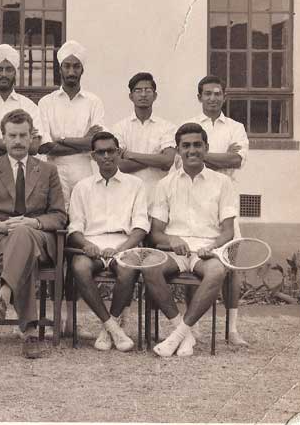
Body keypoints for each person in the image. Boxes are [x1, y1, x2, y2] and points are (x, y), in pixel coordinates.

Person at [0, 109, 66, 359]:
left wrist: (34, 222)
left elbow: (59, 215)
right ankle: (30, 332)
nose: (18, 141)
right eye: (12, 136)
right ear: (3, 137)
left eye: (23, 135)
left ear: (32, 137)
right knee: (25, 255)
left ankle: (3, 294)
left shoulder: (48, 170)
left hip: (39, 239)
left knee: (24, 234)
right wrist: (0, 226)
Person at [145, 123, 236, 357]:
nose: (192, 150)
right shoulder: (165, 184)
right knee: (149, 268)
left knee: (217, 272)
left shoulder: (223, 183)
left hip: (207, 251)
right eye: (186, 146)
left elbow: (228, 231)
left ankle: (178, 335)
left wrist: (212, 246)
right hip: (175, 252)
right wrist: (172, 239)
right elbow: (156, 233)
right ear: (178, 150)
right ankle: (184, 334)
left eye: (197, 145)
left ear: (206, 148)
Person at [181, 75, 250, 346]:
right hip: (195, 201)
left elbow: (236, 159)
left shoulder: (235, 127)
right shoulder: (190, 125)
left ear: (224, 96)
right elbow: (183, 162)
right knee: (193, 261)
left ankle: (231, 329)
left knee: (231, 266)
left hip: (225, 199)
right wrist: (217, 158)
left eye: (217, 93)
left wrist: (199, 156)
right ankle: (193, 326)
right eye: (207, 93)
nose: (212, 98)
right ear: (199, 97)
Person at [68, 132, 149, 352]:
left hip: (124, 243)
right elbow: (75, 227)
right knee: (79, 267)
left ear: (118, 152)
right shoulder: (82, 187)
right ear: (93, 156)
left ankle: (108, 329)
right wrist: (86, 245)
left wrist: (121, 248)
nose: (106, 156)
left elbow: (141, 226)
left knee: (128, 268)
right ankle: (113, 326)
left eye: (111, 151)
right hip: (91, 243)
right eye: (101, 152)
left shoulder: (136, 184)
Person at [38, 40, 106, 207]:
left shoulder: (93, 102)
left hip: (83, 170)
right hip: (54, 170)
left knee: (83, 215)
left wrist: (61, 140)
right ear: (60, 68)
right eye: (67, 66)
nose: (71, 71)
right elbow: (45, 147)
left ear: (82, 69)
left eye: (76, 66)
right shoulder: (46, 102)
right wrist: (83, 142)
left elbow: (97, 143)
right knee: (57, 216)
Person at [112, 72, 176, 210]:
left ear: (155, 95)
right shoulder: (119, 128)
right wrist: (156, 159)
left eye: (148, 90)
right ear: (131, 96)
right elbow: (119, 165)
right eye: (138, 90)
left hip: (158, 196)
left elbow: (167, 161)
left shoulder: (167, 127)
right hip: (127, 196)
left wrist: (129, 155)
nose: (143, 94)